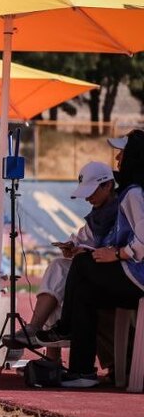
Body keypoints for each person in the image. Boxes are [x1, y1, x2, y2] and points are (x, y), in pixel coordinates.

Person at [53, 130, 144, 388]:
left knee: (83, 264)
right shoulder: (133, 191)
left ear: (134, 157)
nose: (117, 159)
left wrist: (116, 254)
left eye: (122, 153)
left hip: (137, 277)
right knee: (84, 292)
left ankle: (66, 327)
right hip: (132, 275)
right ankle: (82, 371)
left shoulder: (134, 194)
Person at [8, 160, 117, 347]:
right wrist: (73, 245)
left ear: (108, 185)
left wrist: (85, 251)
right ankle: (38, 334)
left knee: (68, 282)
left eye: (91, 192)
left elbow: (118, 246)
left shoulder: (124, 207)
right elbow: (84, 238)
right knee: (58, 269)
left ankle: (45, 343)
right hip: (96, 269)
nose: (87, 198)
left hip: (118, 272)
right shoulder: (98, 214)